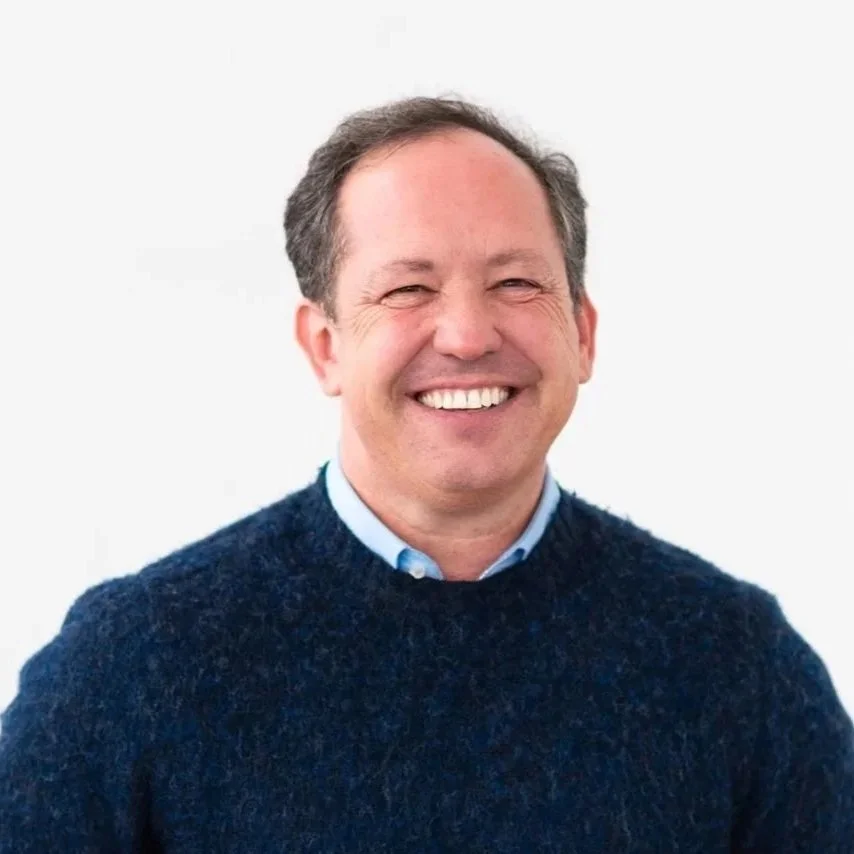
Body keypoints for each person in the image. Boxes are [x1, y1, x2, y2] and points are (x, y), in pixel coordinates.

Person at [1, 96, 852, 853]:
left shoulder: (738, 663)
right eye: (407, 289)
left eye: (515, 282)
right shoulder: (135, 662)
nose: (468, 335)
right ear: (325, 346)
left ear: (584, 335)